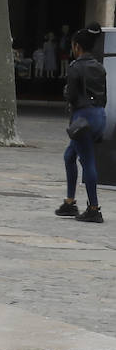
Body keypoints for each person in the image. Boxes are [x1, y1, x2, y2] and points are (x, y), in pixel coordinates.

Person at [55, 23, 107, 224]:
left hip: (82, 118)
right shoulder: (100, 67)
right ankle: (70, 202)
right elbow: (104, 97)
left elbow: (73, 96)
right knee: (70, 156)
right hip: (99, 116)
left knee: (87, 161)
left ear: (77, 46)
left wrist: (67, 92)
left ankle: (93, 208)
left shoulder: (75, 67)